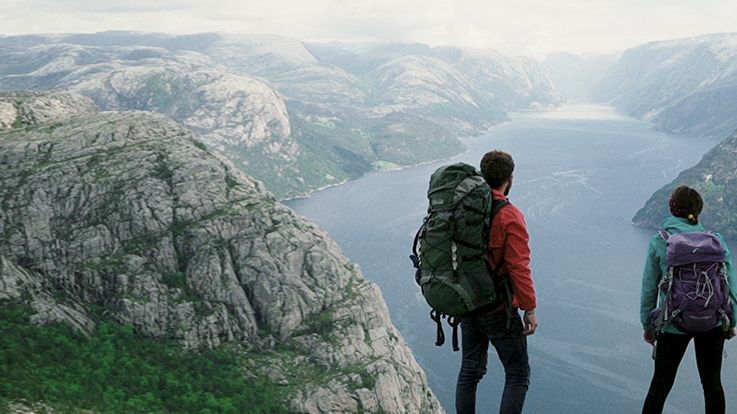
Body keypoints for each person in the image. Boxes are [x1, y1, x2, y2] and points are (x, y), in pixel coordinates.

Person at [640, 185, 737, 414]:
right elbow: (730, 286)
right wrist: (731, 323)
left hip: (672, 323)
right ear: (699, 210)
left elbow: (649, 289)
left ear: (672, 209)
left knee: (661, 385)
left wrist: (647, 325)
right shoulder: (717, 242)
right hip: (712, 322)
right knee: (712, 383)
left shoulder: (660, 241)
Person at [456, 150, 538, 414]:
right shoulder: (509, 215)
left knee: (470, 371)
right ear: (510, 178)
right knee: (517, 374)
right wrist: (529, 307)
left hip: (467, 301)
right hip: (497, 308)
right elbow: (518, 266)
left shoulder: (465, 209)